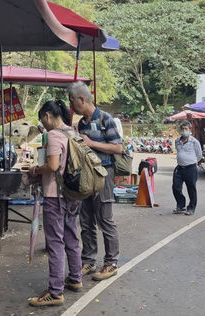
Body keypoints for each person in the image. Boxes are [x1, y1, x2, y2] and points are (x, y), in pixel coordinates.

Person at [27, 100, 82, 307]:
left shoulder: (54, 135)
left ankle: (55, 291)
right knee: (71, 236)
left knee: (55, 242)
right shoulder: (73, 132)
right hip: (72, 194)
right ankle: (75, 279)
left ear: (48, 115)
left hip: (54, 195)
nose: (44, 124)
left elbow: (53, 165)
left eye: (43, 119)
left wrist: (36, 170)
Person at [67, 81, 123, 281]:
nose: (71, 106)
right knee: (86, 220)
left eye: (72, 101)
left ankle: (111, 262)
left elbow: (118, 148)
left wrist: (92, 143)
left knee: (105, 219)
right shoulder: (81, 123)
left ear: (82, 99)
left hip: (104, 174)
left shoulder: (105, 119)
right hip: (85, 176)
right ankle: (88, 260)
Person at [172, 120, 203, 216]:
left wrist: (192, 162)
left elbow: (199, 155)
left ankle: (191, 208)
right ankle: (181, 205)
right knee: (176, 187)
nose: (184, 130)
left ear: (190, 130)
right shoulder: (177, 141)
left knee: (191, 188)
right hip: (180, 168)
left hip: (191, 168)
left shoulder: (194, 142)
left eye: (186, 129)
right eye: (182, 129)